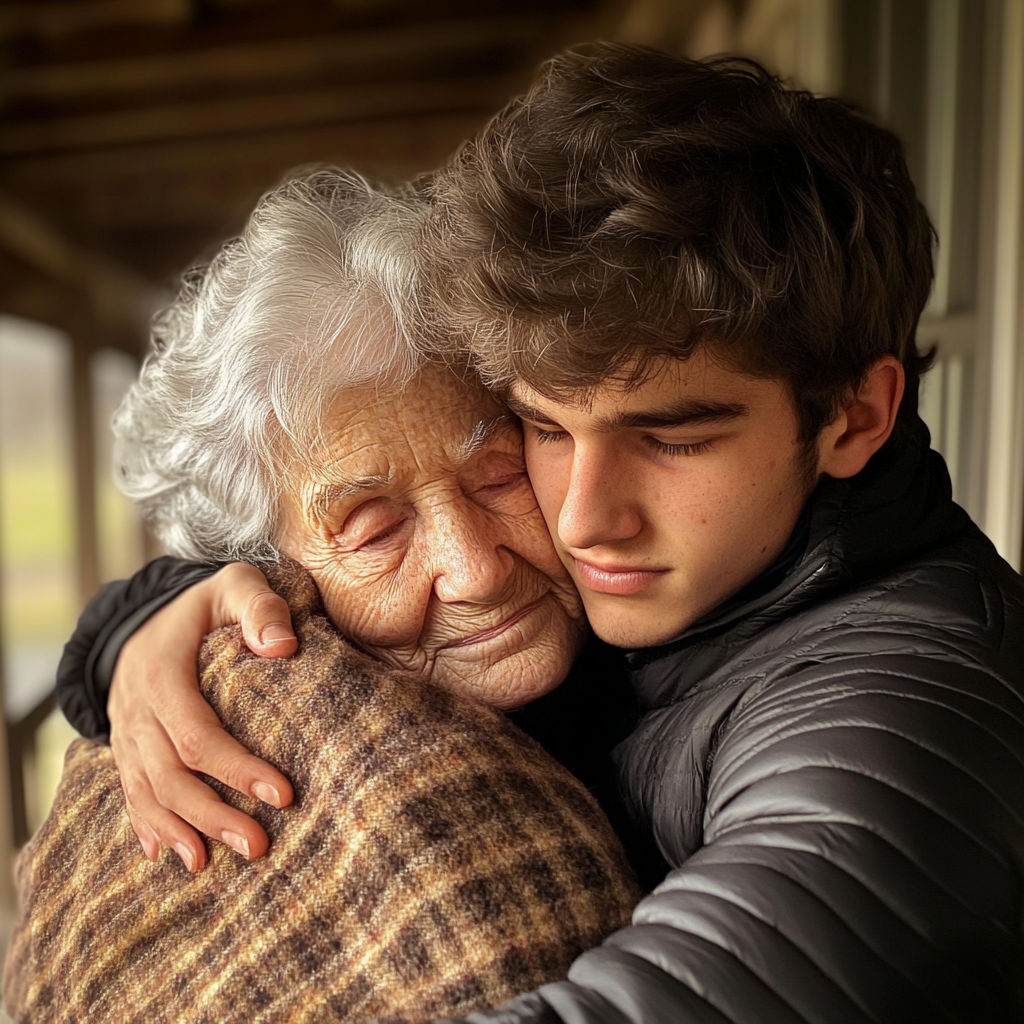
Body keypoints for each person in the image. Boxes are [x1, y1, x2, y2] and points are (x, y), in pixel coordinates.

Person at [58, 46, 1024, 1023]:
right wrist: (142, 623)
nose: (578, 519)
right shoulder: (675, 597)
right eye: (546, 433)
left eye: (675, 438)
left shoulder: (902, 718)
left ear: (853, 417)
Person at [5, 168, 641, 1023]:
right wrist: (133, 627)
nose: (476, 569)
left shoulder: (666, 606)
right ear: (268, 568)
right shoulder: (269, 721)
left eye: (498, 477)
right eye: (376, 532)